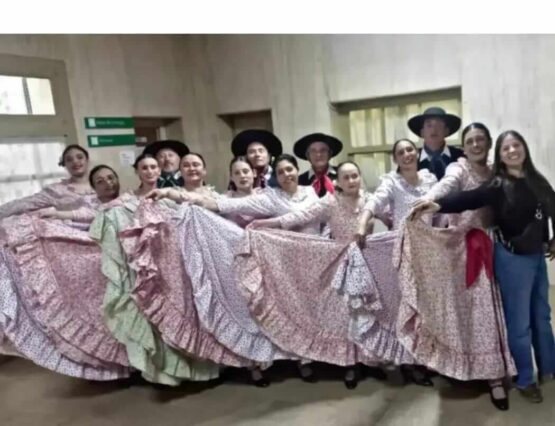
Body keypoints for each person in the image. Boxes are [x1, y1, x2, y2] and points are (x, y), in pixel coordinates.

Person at [410, 130, 555, 404]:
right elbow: (468, 198)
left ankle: (549, 369)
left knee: (543, 317)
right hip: (513, 259)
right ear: (499, 154)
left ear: (524, 148)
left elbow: (552, 206)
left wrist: (553, 237)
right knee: (520, 323)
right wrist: (435, 204)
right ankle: (525, 378)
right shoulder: (497, 184)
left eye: (516, 145)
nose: (512, 151)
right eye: (506, 148)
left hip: (537, 257)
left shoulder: (536, 180)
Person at [406, 123, 514, 411]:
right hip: (461, 248)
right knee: (464, 308)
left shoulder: (496, 170)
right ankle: (463, 364)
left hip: (494, 244)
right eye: (470, 141)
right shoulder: (459, 167)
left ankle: (493, 374)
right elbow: (446, 185)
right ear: (463, 146)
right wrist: (430, 199)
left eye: (481, 140)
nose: (476, 145)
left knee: (493, 310)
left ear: (489, 143)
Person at [89, 155, 220, 386]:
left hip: (174, 267)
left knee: (181, 313)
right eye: (144, 168)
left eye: (153, 167)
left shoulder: (171, 195)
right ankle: (164, 373)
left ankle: (194, 369)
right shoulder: (125, 202)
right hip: (145, 269)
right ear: (137, 172)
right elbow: (114, 221)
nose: (149, 171)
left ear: (159, 171)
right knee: (152, 316)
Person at [248, 161, 374, 389]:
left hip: (369, 261)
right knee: (346, 314)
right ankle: (349, 365)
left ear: (360, 177)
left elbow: (392, 216)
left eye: (355, 175)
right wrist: (269, 222)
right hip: (342, 263)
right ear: (339, 182)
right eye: (346, 177)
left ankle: (368, 359)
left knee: (368, 312)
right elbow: (301, 216)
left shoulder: (370, 200)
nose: (351, 181)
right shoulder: (330, 201)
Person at [0, 144, 96, 219]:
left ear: (87, 160)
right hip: (77, 238)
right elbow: (24, 203)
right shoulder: (57, 190)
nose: (75, 161)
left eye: (80, 157)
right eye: (69, 160)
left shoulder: (104, 183)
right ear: (65, 165)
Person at [408, 107, 464, 180]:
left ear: (446, 131)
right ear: (422, 132)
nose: (434, 130)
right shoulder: (411, 159)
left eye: (439, 125)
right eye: (429, 125)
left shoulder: (460, 156)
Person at [293, 133, 343, 197]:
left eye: (323, 150)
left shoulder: (342, 174)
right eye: (313, 151)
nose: (318, 154)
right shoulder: (300, 181)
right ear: (308, 156)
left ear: (330, 154)